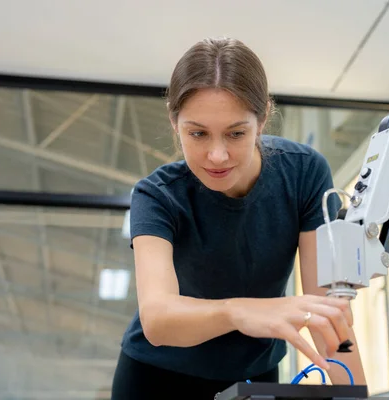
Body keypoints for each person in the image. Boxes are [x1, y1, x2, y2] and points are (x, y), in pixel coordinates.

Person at [111, 37, 366, 400]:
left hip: (253, 374)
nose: (217, 155)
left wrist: (354, 396)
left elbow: (327, 315)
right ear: (174, 123)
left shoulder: (304, 174)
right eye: (197, 133)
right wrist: (238, 312)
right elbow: (158, 318)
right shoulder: (156, 195)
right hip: (156, 375)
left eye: (236, 133)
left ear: (262, 119)